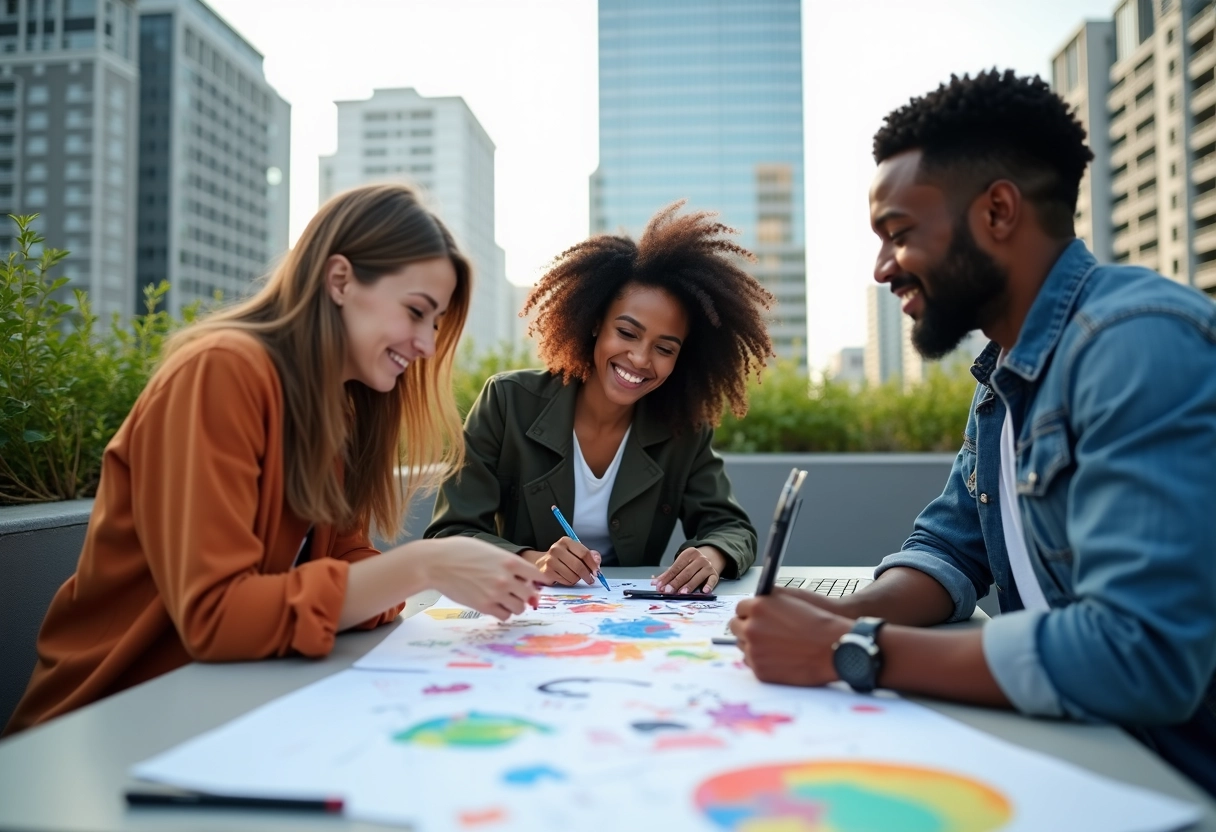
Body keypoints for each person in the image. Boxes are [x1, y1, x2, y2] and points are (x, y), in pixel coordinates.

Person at [730, 69, 1216, 796]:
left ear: (997, 211)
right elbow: (949, 550)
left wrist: (847, 649)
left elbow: (1137, 655)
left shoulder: (1135, 344)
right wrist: (843, 611)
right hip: (1075, 757)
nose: (882, 268)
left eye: (898, 233)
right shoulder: (1005, 380)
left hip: (1170, 780)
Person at [5, 184, 543, 736]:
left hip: (230, 713)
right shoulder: (220, 371)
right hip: (106, 724)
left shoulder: (341, 411)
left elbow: (348, 565)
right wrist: (424, 565)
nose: (428, 344)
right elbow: (216, 618)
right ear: (339, 280)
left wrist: (389, 580)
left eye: (436, 323)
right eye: (416, 312)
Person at [427, 203, 774, 593]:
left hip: (630, 628)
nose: (640, 359)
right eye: (627, 333)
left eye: (665, 348)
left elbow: (731, 527)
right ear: (594, 322)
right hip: (530, 620)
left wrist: (712, 553)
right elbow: (449, 535)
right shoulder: (508, 402)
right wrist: (533, 561)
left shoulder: (684, 430)